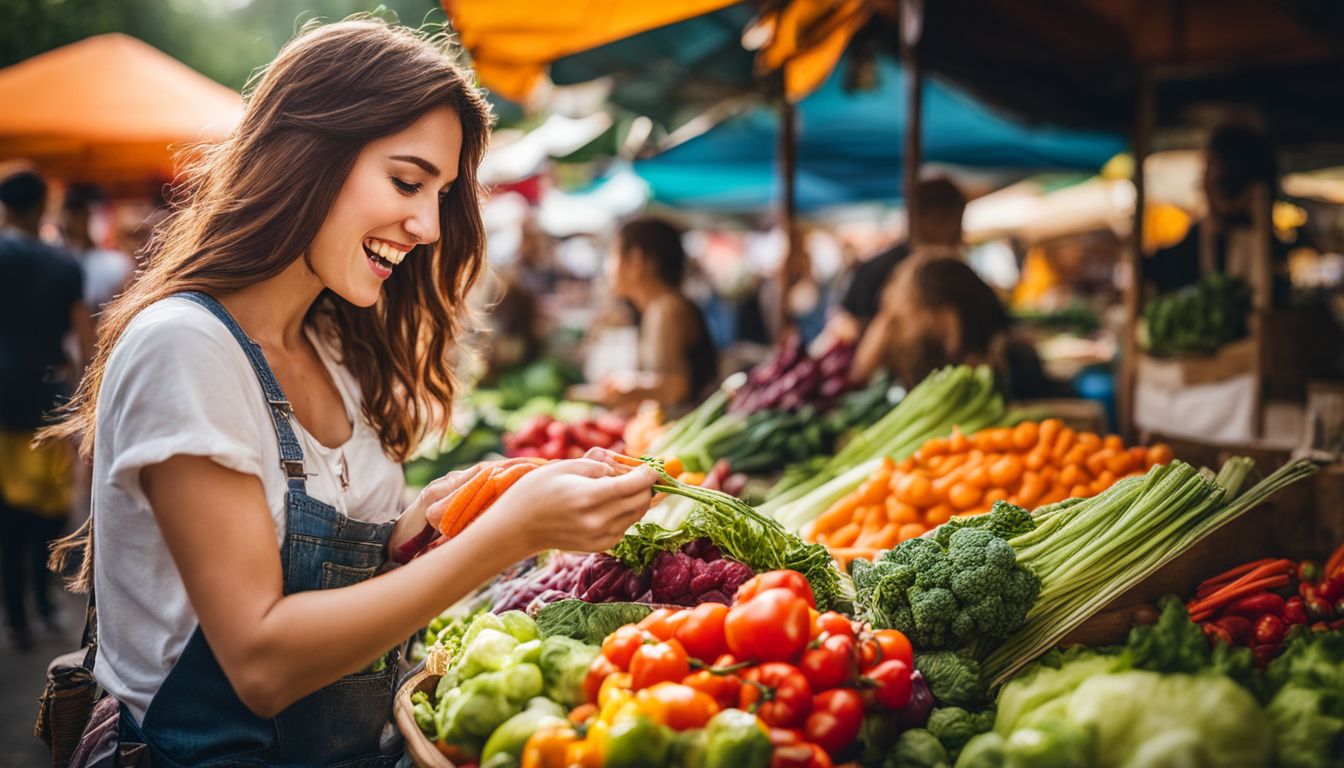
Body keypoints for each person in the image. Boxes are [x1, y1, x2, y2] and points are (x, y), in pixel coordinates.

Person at [43, 19, 657, 765]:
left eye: (440, 193)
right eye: (407, 181)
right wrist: (509, 536)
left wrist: (426, 522)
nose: (429, 225)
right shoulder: (185, 346)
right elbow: (262, 662)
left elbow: (311, 562)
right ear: (306, 155)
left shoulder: (330, 344)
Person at [0, 170, 93, 651]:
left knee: (7, 508)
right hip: (48, 397)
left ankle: (14, 614)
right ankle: (41, 599)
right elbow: (83, 338)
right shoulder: (64, 263)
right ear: (42, 206)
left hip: (3, 398)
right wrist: (85, 398)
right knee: (47, 506)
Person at [850, 253, 1058, 400]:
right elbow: (860, 371)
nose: (902, 323)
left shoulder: (1007, 370)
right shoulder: (925, 359)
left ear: (946, 317)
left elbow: (860, 371)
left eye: (908, 311)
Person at [588, 216, 718, 412]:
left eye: (613, 255)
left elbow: (677, 386)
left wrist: (629, 392)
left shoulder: (668, 309)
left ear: (636, 261)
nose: (609, 269)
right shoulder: (660, 306)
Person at [1145, 124, 1288, 302]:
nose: (1206, 189)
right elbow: (1157, 268)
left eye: (1220, 184)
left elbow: (1264, 301)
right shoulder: (1196, 241)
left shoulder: (1266, 246)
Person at [827, 177, 967, 342]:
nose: (959, 232)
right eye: (954, 219)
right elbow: (846, 324)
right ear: (926, 217)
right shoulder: (883, 269)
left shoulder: (952, 272)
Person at [58, 184, 136, 315]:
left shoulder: (117, 263)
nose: (76, 222)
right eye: (73, 214)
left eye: (82, 215)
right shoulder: (57, 261)